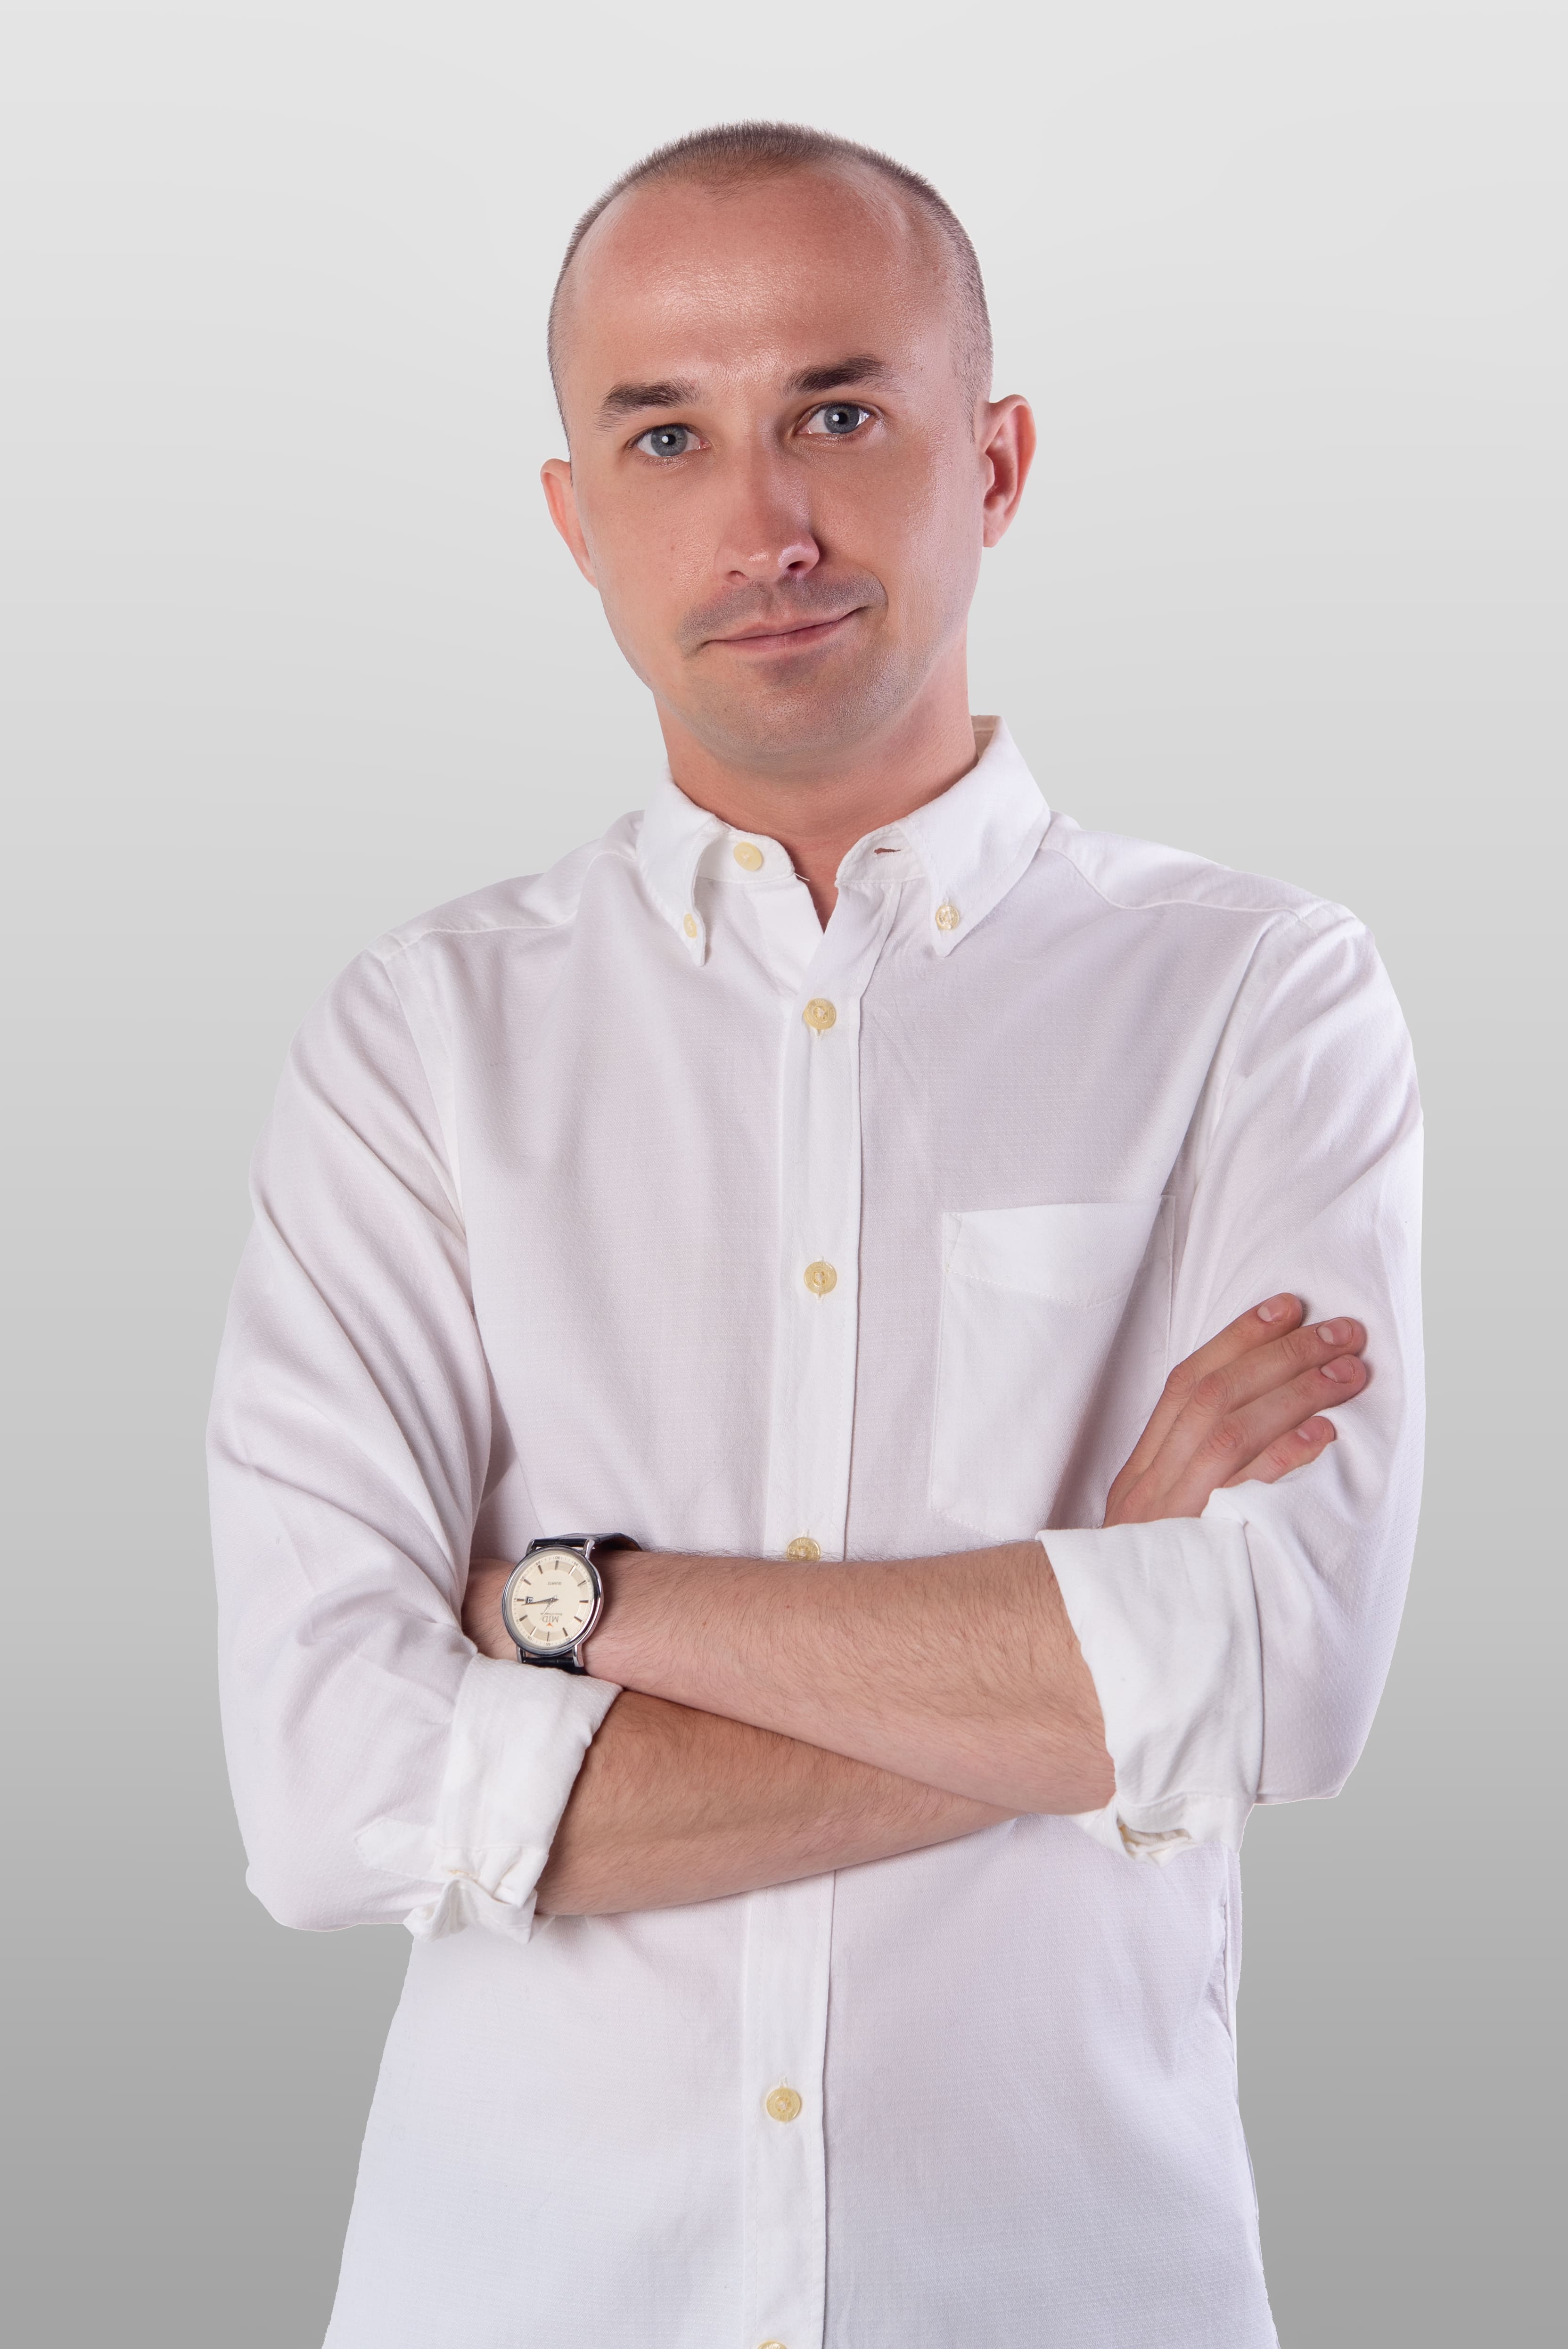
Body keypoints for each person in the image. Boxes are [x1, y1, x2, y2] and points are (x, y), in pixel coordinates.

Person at [209, 122, 1422, 2349]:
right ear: (575, 517)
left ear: (997, 459)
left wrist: (582, 1609)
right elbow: (325, 1795)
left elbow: (1277, 1677)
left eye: (839, 415)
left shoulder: (1255, 997)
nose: (762, 523)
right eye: (666, 436)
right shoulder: (421, 1041)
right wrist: (1080, 1654)